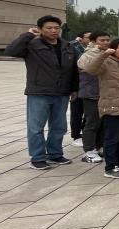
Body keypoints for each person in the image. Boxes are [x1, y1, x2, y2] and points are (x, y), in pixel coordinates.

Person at [5, 16, 79, 169]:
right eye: (49, 28)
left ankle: (55, 154)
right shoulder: (32, 45)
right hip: (39, 92)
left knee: (59, 126)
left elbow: (73, 70)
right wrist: (28, 35)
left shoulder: (67, 46)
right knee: (36, 127)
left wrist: (74, 88)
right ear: (40, 29)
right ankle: (38, 157)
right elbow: (11, 51)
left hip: (62, 93)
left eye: (56, 28)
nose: (53, 31)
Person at [77, 38, 119, 179]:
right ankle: (110, 167)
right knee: (113, 138)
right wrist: (104, 54)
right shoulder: (106, 62)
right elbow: (90, 69)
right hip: (113, 107)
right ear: (113, 49)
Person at [77, 31, 110, 163]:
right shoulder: (87, 54)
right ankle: (89, 151)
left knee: (102, 123)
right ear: (93, 41)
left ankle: (98, 147)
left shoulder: (108, 53)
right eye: (102, 40)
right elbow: (88, 68)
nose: (106, 42)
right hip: (91, 93)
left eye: (107, 40)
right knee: (92, 122)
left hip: (104, 93)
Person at [69, 31, 89, 146]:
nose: (90, 39)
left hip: (90, 87)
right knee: (76, 113)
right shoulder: (74, 47)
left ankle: (85, 134)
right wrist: (73, 89)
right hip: (77, 86)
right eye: (88, 37)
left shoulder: (94, 50)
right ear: (80, 38)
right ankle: (76, 135)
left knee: (88, 114)